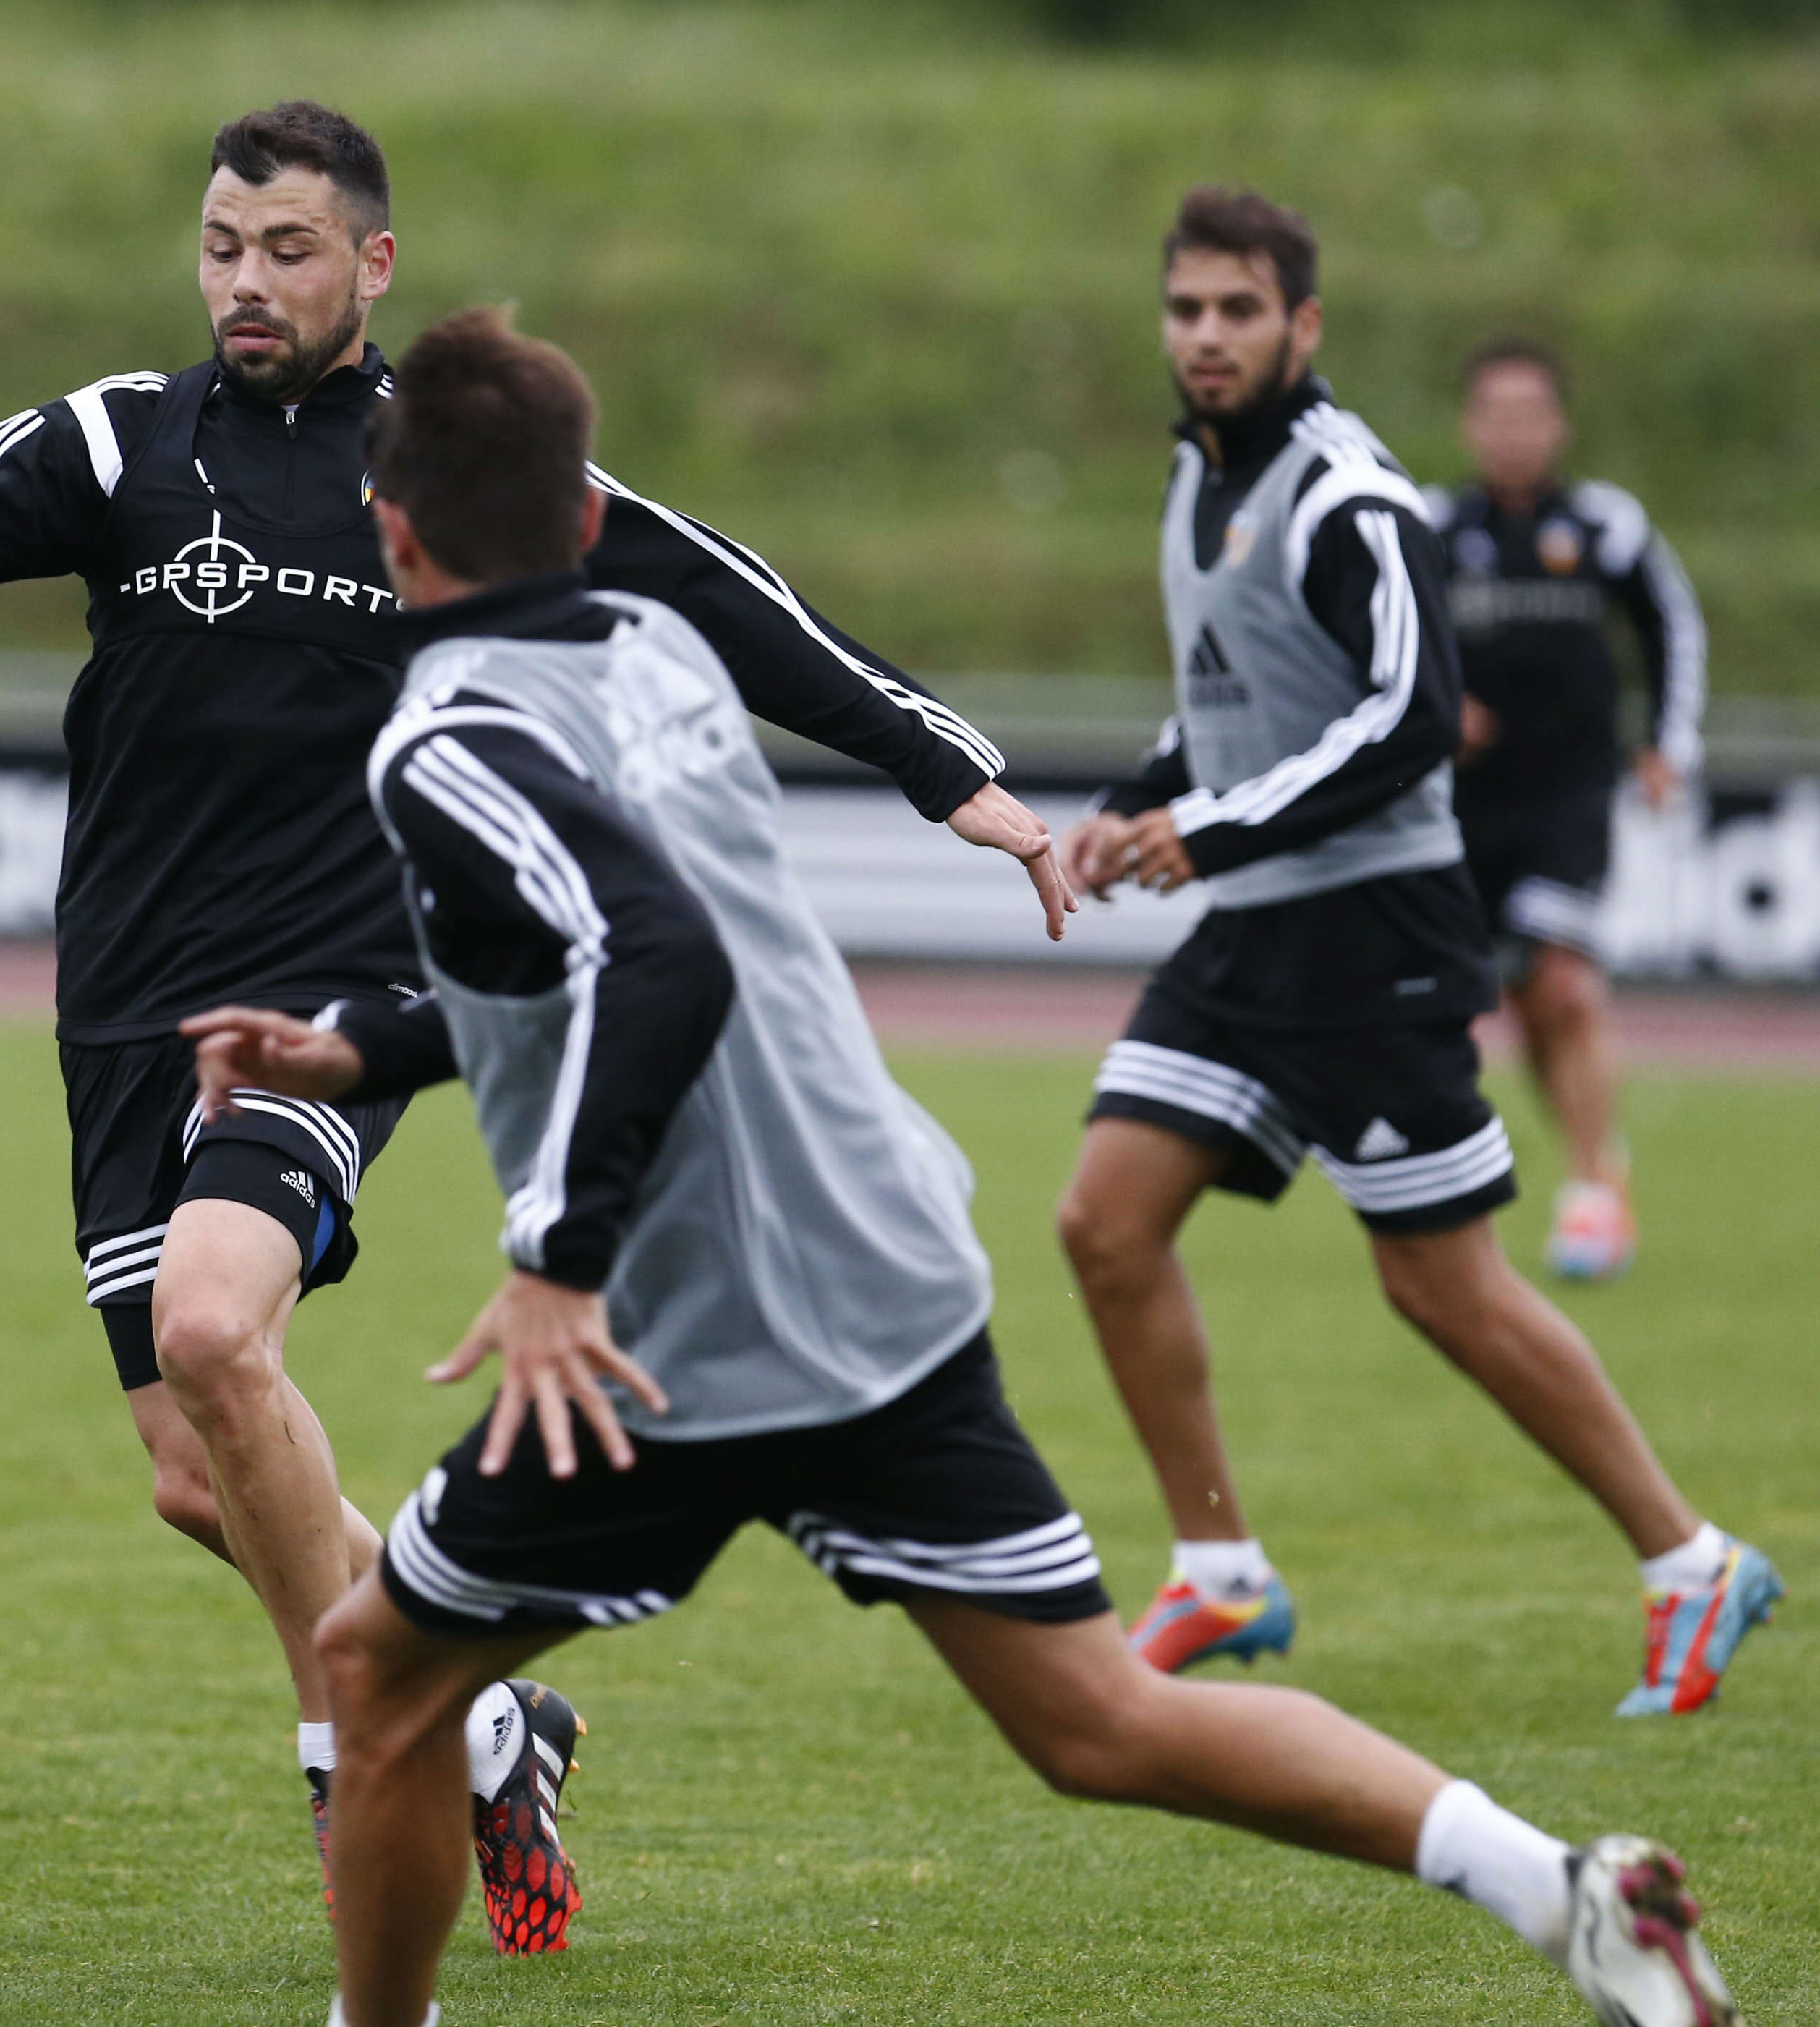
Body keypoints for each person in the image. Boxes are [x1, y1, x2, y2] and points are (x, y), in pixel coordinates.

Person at [185, 302, 1742, 2027]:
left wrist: (557, 1252)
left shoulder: (444, 740)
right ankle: (1561, 1889)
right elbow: (581, 952)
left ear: (389, 531)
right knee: (1100, 1724)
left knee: (379, 1679)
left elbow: (656, 962)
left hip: (683, 1338)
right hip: (887, 1273)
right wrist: (370, 1045)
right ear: (580, 521)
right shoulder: (655, 645)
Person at [0, 100, 1067, 1940]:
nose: (245, 282)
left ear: (371, 261)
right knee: (191, 1473)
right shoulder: (119, 438)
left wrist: (955, 774)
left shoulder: (434, 467)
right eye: (221, 245)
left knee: (215, 1330)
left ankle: (351, 1737)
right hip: (126, 1002)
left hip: (337, 988)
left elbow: (725, 591)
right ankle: (486, 1712)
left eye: (286, 249)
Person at [1054, 190, 1777, 1707]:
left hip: (1372, 931)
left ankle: (1690, 1558)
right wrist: (1138, 805)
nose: (1205, 336)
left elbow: (1410, 718)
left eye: (1238, 310)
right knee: (1105, 1226)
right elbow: (1233, 696)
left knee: (1439, 1287)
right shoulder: (1201, 477)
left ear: (1301, 327)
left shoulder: (1345, 495)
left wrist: (1215, 828)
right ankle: (1220, 1575)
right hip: (1256, 934)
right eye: (1185, 308)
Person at [1426, 340, 1708, 1279]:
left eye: (1530, 412)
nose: (1512, 430)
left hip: (1570, 796)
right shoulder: (1432, 525)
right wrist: (1434, 708)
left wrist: (1668, 741)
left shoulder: (1603, 526)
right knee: (1519, 1001)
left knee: (1564, 985)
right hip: (1466, 808)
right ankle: (1599, 1161)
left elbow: (1670, 622)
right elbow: (1380, 638)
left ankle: (1592, 1186)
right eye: (1494, 412)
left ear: (1559, 425)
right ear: (1472, 425)